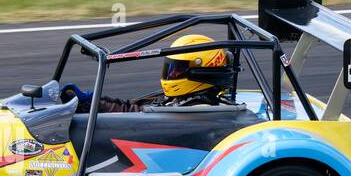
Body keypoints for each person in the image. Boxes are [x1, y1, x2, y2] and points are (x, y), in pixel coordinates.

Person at [61, 34, 231, 113]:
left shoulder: (197, 111)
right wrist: (90, 101)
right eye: (171, 67)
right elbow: (134, 107)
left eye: (178, 69)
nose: (172, 73)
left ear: (200, 73)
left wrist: (93, 105)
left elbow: (135, 116)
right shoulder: (184, 98)